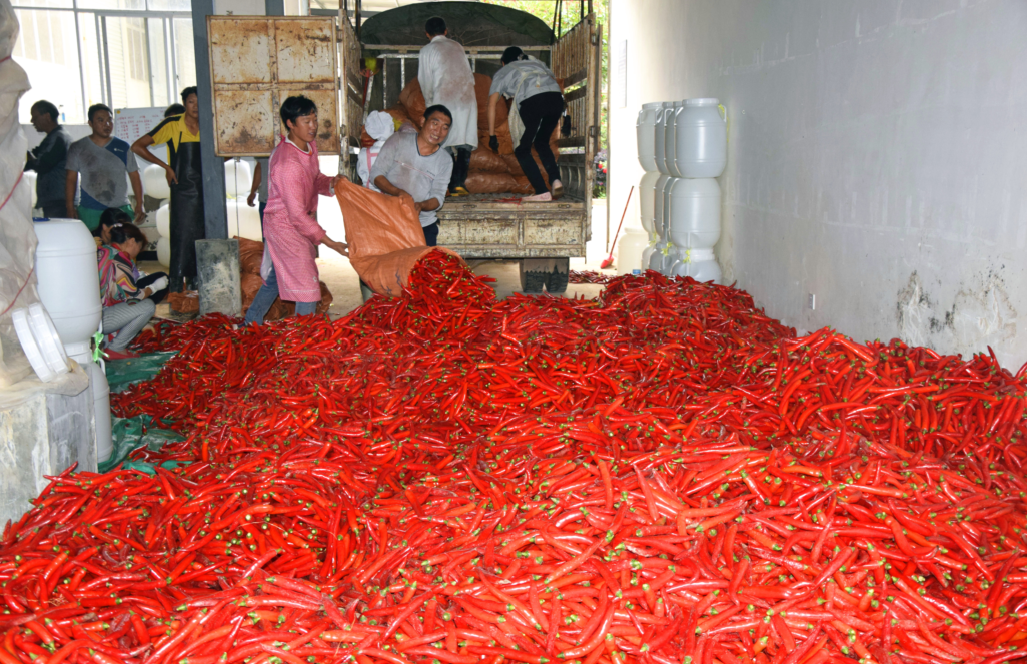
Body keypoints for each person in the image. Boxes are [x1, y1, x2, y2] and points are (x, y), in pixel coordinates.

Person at [243, 95, 349, 326]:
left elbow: (314, 179)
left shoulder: (308, 146)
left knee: (274, 279)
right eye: (306, 121)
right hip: (285, 226)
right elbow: (297, 215)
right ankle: (303, 338)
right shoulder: (287, 163)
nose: (313, 127)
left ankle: (250, 323)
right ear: (290, 124)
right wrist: (331, 243)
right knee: (307, 284)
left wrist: (333, 184)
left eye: (314, 119)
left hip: (296, 222)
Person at [131, 87, 204, 294]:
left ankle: (195, 287)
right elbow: (137, 146)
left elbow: (223, 152)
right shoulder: (172, 124)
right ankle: (175, 288)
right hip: (182, 190)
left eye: (200, 101)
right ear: (184, 103)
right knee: (181, 238)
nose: (196, 106)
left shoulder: (209, 124)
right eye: (191, 101)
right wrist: (167, 167)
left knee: (201, 238)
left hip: (205, 192)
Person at [487, 47, 565, 202]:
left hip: (533, 100)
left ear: (504, 62)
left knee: (522, 149)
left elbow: (491, 104)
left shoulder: (504, 71)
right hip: (557, 100)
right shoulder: (537, 63)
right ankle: (556, 180)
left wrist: (491, 135)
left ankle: (542, 191)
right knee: (542, 142)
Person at [370, 105, 454, 247]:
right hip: (389, 221)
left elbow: (438, 198)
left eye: (445, 127)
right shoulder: (398, 140)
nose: (438, 131)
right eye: (434, 123)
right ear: (422, 121)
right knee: (391, 268)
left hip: (423, 225)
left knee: (423, 267)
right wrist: (399, 193)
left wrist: (421, 205)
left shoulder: (445, 160)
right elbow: (376, 174)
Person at [417, 16, 476, 196]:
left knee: (443, 141)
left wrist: (430, 107)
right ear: (445, 31)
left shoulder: (427, 50)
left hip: (444, 99)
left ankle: (452, 185)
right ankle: (459, 183)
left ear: (427, 34)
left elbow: (425, 80)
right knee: (464, 141)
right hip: (466, 98)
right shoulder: (458, 46)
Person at [65, 104, 144, 232]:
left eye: (109, 120)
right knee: (94, 247)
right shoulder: (77, 148)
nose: (107, 124)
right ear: (90, 123)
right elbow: (70, 179)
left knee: (124, 248)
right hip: (90, 210)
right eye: (100, 120)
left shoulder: (123, 147)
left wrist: (140, 204)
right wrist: (70, 207)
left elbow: (134, 175)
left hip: (120, 210)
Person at [97, 223, 169, 360]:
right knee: (147, 305)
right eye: (139, 247)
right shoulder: (120, 259)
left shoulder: (102, 251)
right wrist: (154, 287)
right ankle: (116, 348)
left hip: (86, 318)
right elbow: (134, 297)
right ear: (131, 241)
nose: (138, 252)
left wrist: (141, 323)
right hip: (99, 320)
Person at [24, 100, 72, 218]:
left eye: (34, 117)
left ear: (47, 116)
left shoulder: (59, 138)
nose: (32, 121)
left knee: (58, 234)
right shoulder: (52, 138)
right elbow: (30, 161)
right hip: (54, 202)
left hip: (59, 203)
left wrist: (27, 155)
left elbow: (43, 165)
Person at [356, 111, 394, 193]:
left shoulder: (364, 154)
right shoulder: (397, 152)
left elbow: (360, 173)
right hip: (389, 199)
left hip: (368, 198)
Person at [247, 157, 269, 225]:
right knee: (267, 233)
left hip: (286, 201)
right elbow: (260, 166)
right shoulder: (263, 147)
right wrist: (253, 191)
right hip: (266, 198)